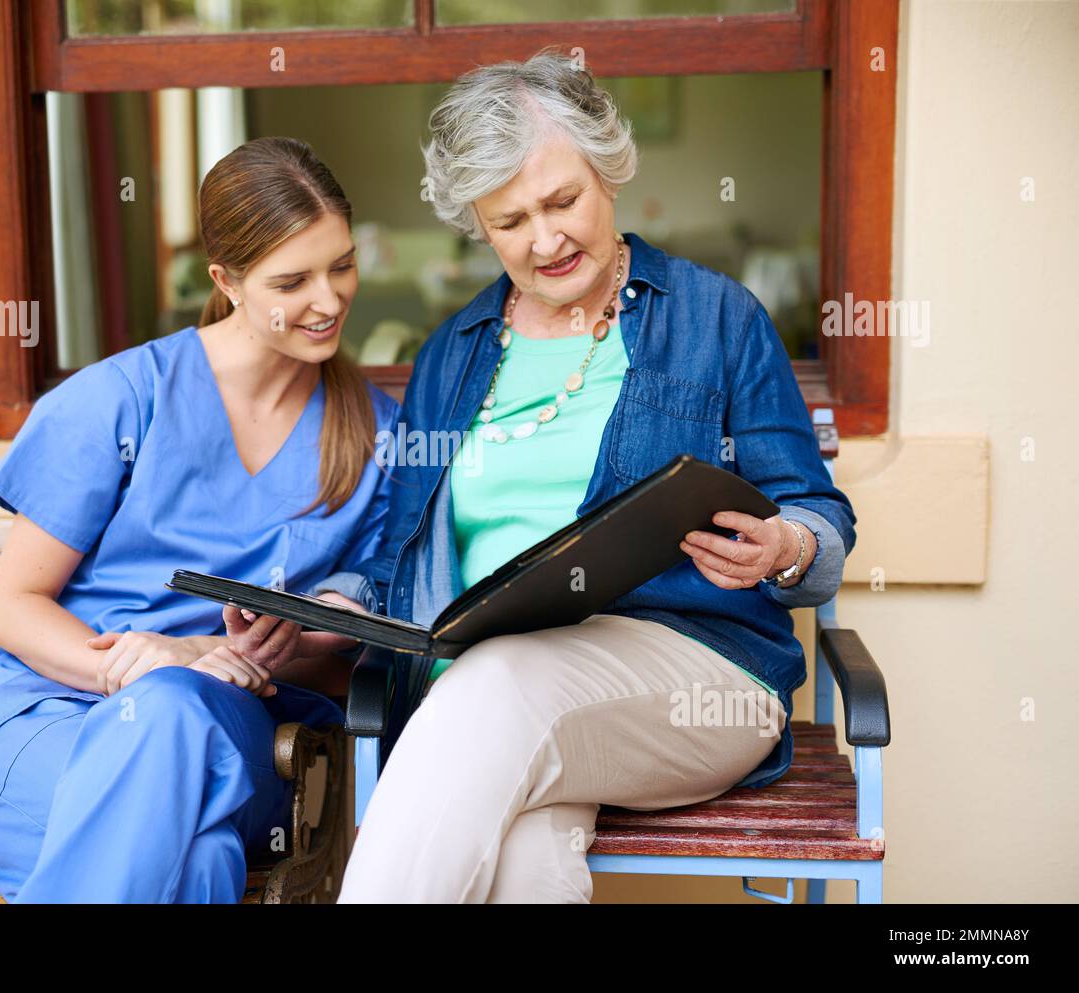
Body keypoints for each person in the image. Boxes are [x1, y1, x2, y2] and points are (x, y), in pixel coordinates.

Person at [260, 50, 857, 902]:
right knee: (524, 856)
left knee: (495, 688)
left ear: (607, 171)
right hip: (505, 700)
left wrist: (786, 546)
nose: (544, 240)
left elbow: (817, 513)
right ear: (478, 224)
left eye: (563, 200)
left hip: (697, 678)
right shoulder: (452, 356)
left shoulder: (716, 318)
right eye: (509, 221)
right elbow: (403, 559)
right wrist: (338, 610)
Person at [0, 136, 397, 903]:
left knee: (174, 720)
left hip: (240, 733)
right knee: (192, 857)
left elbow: (356, 652)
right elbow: (12, 605)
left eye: (342, 265)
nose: (328, 300)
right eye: (292, 280)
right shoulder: (118, 400)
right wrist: (148, 663)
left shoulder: (377, 436)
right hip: (52, 721)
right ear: (226, 280)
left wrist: (301, 634)